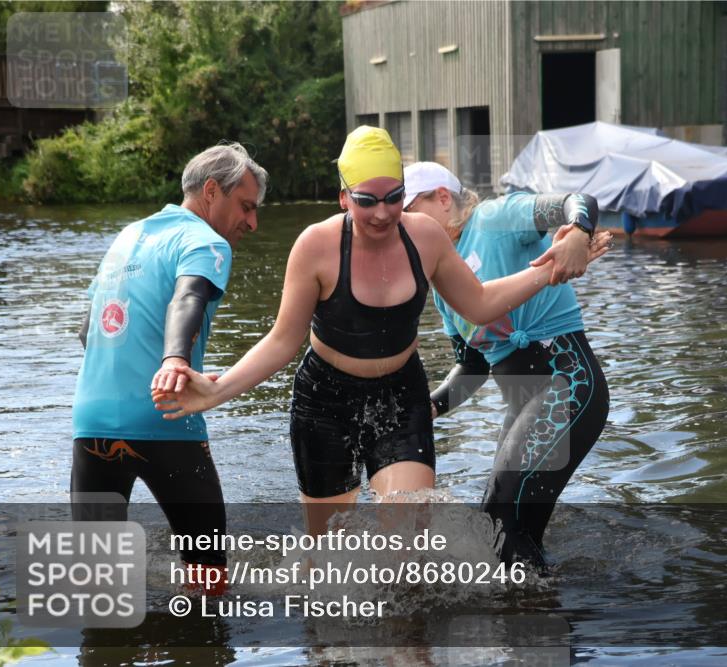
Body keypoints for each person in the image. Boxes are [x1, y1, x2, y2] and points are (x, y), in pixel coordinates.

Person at [152, 127, 611, 536]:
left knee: (410, 549)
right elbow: (282, 341)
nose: (382, 213)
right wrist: (215, 392)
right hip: (325, 403)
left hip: (399, 396)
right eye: (367, 200)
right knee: (329, 557)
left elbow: (480, 303)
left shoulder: (427, 238)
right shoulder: (315, 246)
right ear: (343, 198)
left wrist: (553, 267)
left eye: (394, 197)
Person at [72, 143, 267, 591]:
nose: (252, 223)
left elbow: (88, 331)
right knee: (208, 579)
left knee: (94, 588)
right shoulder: (204, 240)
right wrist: (175, 358)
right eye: (246, 207)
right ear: (212, 191)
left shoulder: (127, 237)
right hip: (165, 420)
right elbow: (190, 296)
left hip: (92, 424)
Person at [403, 162, 611, 569]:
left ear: (442, 198)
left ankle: (529, 613)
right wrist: (431, 406)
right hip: (524, 404)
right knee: (499, 530)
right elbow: (473, 366)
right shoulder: (442, 281)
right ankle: (536, 612)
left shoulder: (495, 219)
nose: (403, 228)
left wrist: (578, 234)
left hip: (567, 384)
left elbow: (577, 202)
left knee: (501, 522)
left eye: (409, 212)